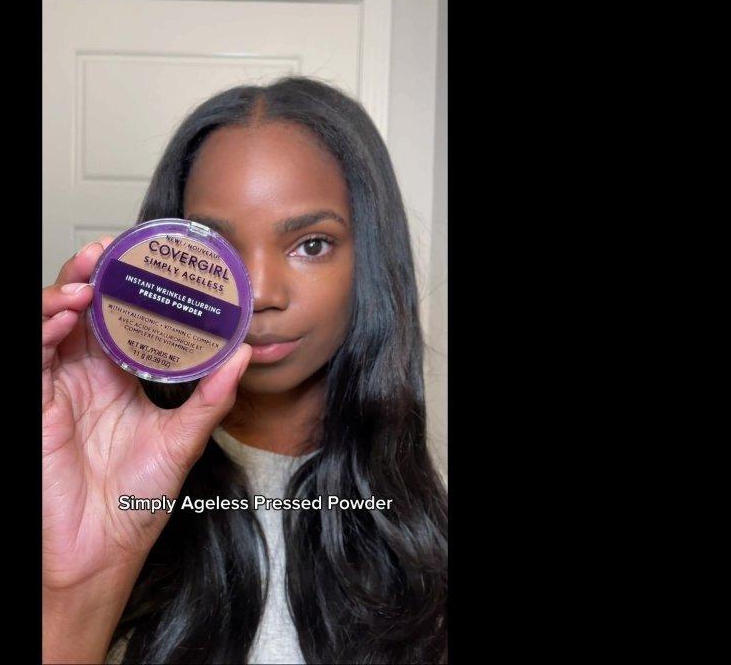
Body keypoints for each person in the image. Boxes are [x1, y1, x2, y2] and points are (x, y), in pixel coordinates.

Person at [42, 77, 448, 664]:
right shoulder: (102, 485)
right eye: (216, 251)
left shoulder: (425, 536)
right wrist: (76, 586)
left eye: (312, 244)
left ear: (371, 258)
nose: (257, 293)